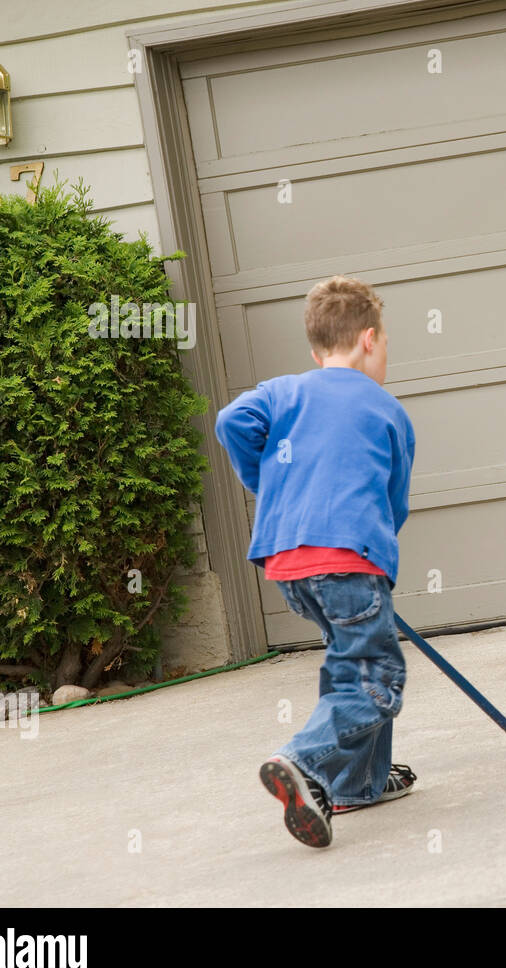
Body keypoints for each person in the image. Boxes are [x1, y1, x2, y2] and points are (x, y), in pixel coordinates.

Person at [215, 275, 417, 848]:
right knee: (379, 680)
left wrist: (270, 487)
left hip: (286, 564)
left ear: (316, 349)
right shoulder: (387, 411)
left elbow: (230, 422)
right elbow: (393, 503)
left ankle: (356, 784)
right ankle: (301, 761)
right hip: (350, 561)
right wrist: (370, 562)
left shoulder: (283, 391)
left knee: (352, 665)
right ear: (371, 340)